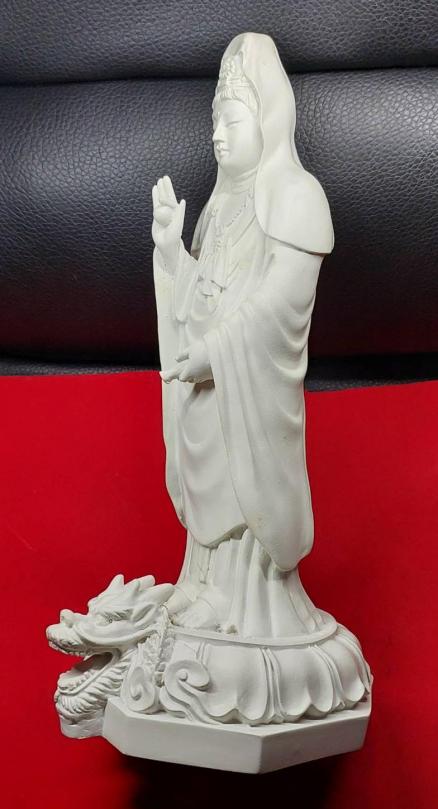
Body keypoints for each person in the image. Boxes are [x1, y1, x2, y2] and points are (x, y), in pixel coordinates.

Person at [152, 33, 335, 638]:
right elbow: (200, 293)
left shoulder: (296, 196)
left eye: (230, 120)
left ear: (267, 120)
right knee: (203, 453)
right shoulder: (217, 207)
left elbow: (283, 301)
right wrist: (170, 252)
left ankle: (242, 597)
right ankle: (201, 580)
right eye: (214, 122)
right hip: (206, 384)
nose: (217, 135)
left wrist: (217, 350)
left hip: (246, 381)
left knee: (239, 472)